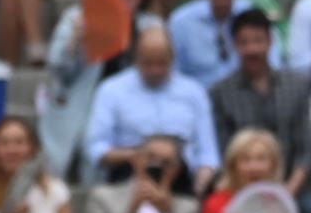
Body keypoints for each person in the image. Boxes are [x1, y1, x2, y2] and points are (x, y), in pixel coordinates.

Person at [39, 0, 165, 180]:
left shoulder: (152, 26)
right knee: (90, 135)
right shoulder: (77, 17)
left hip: (136, 105)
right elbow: (58, 69)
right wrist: (75, 41)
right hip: (85, 103)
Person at [210, 9, 311, 213]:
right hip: (240, 190)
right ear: (234, 45)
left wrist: (286, 194)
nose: (252, 49)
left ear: (270, 42)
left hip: (290, 186)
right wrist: (248, 197)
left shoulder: (297, 85)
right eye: (244, 42)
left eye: (258, 41)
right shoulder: (220, 92)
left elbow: (306, 151)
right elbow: (224, 153)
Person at [83, 26, 219, 188]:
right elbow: (96, 148)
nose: (155, 71)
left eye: (162, 63)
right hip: (128, 177)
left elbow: (208, 155)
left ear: (173, 58)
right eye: (148, 63)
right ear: (136, 58)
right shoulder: (111, 90)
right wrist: (135, 155)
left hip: (182, 181)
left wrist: (198, 190)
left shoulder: (194, 92)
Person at [168, 0, 272, 88]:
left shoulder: (253, 15)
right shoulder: (181, 22)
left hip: (246, 97)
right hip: (199, 97)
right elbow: (172, 77)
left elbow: (272, 66)